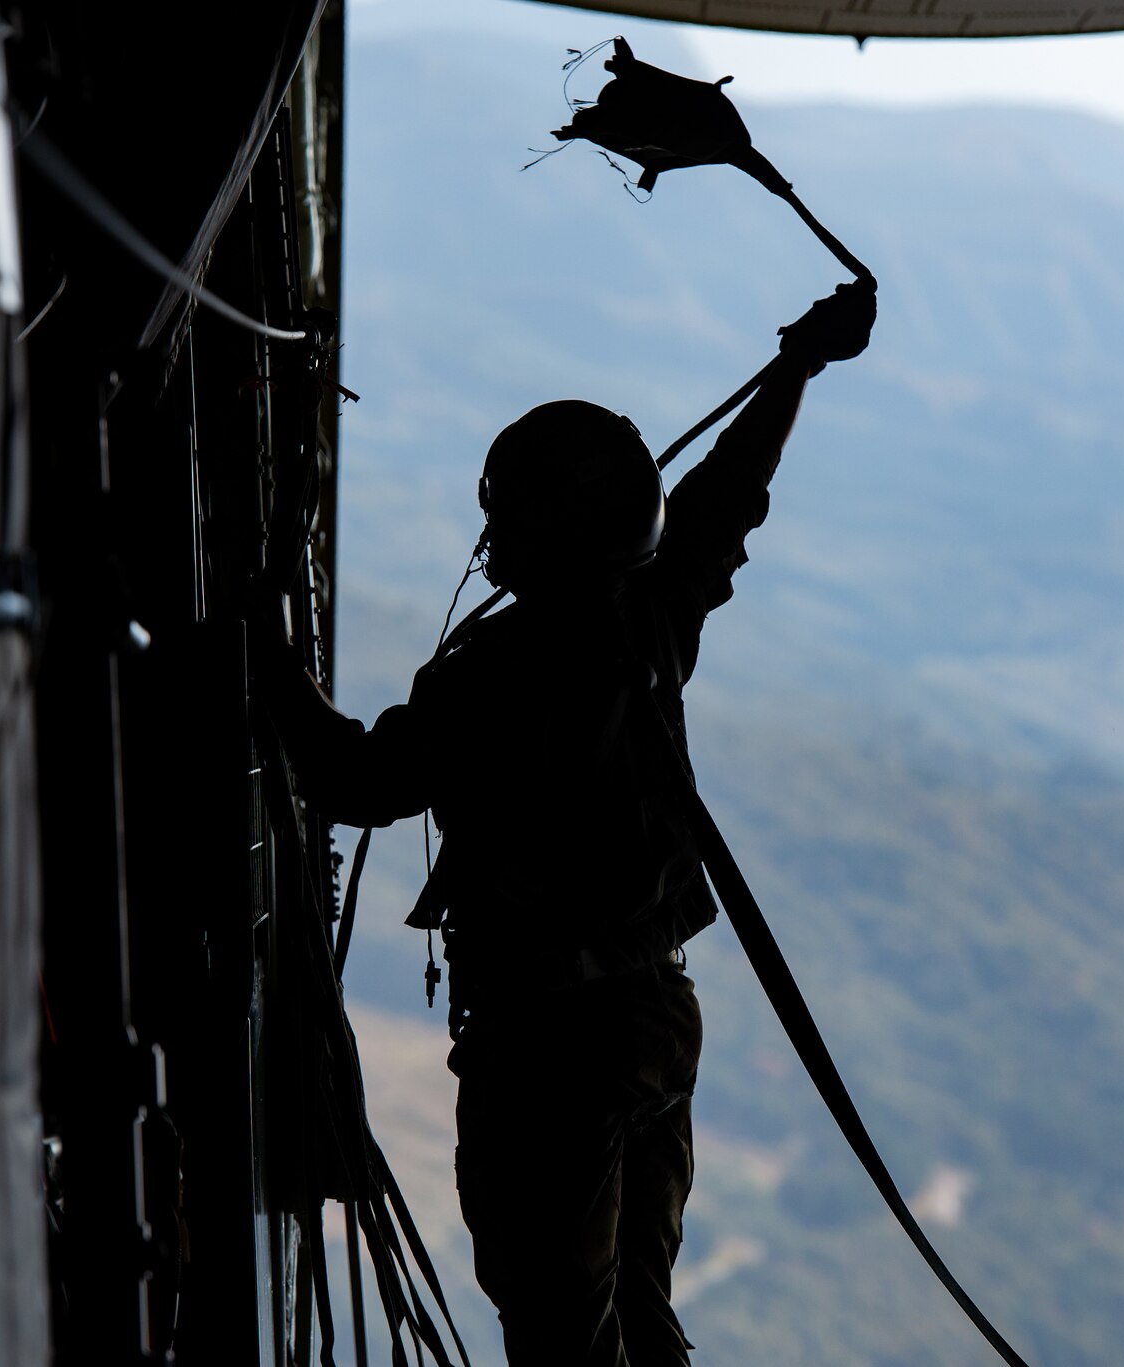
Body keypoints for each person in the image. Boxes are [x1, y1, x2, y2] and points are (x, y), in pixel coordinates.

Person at [263, 279, 875, 1365]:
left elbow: (358, 782)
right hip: (653, 1021)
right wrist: (793, 369)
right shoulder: (653, 614)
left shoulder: (488, 678)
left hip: (548, 1052)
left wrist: (265, 674)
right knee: (642, 1316)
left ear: (529, 528)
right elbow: (728, 493)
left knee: (559, 1336)